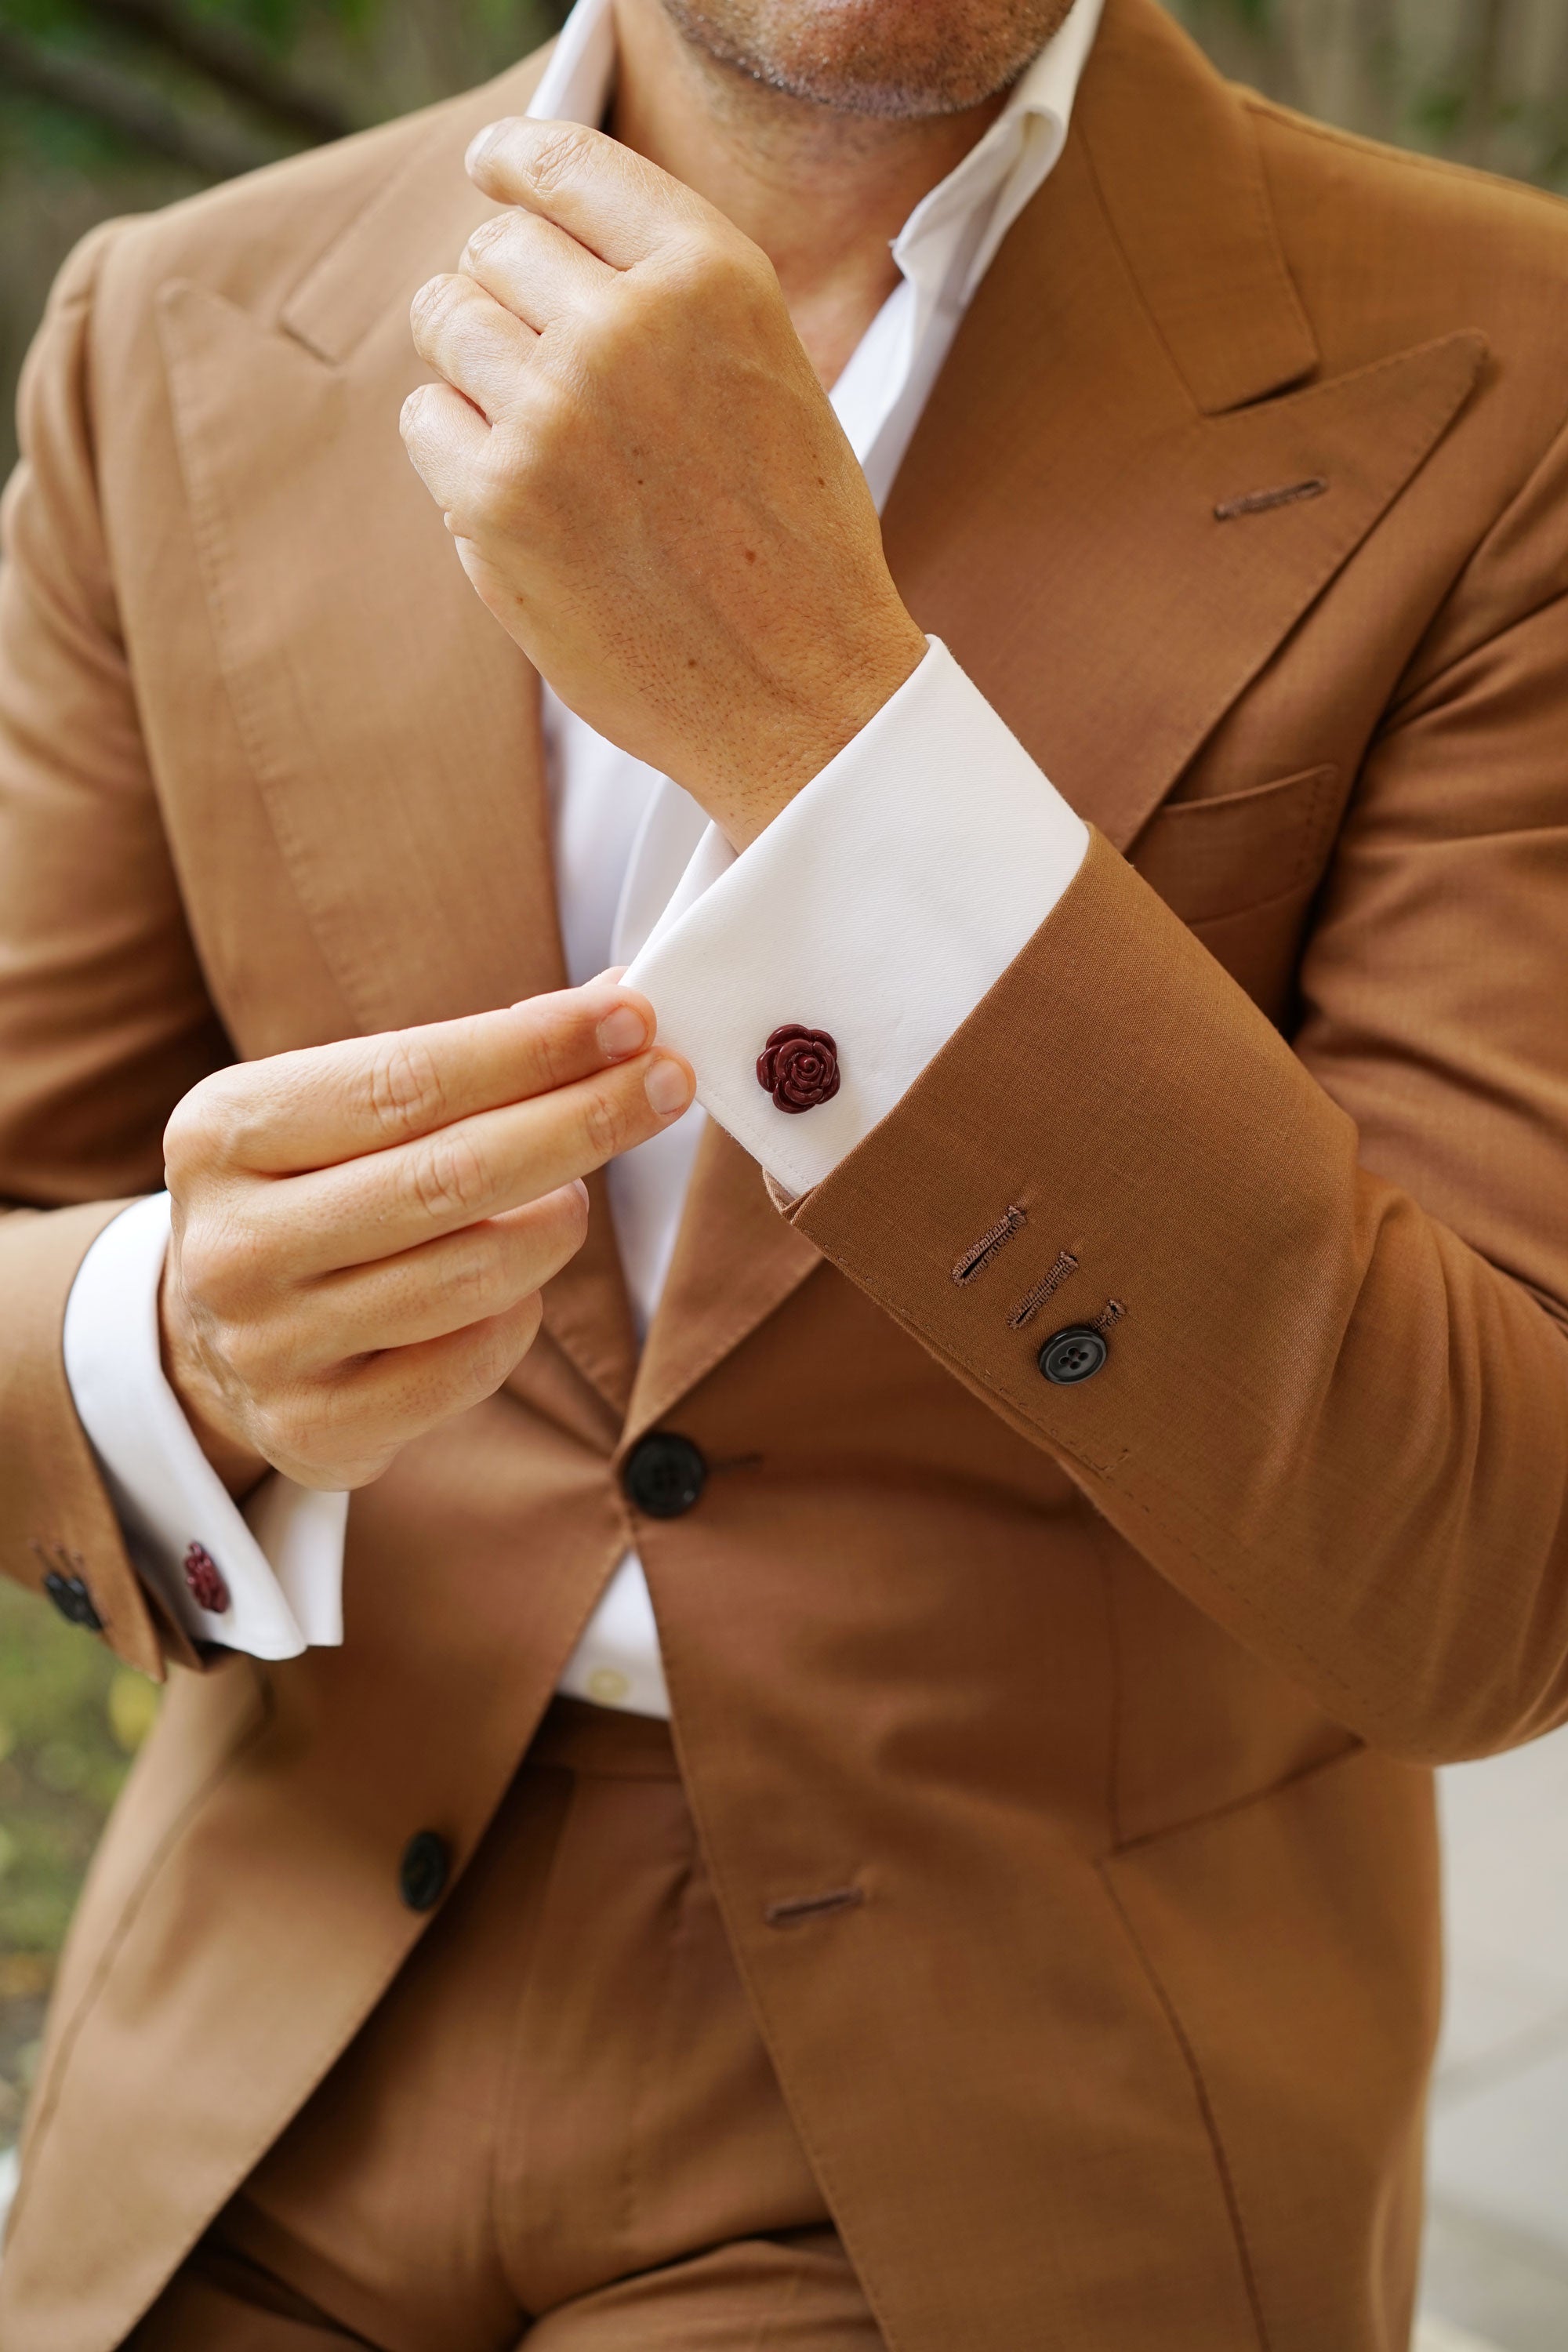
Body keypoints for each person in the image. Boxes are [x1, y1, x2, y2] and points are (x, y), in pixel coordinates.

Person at [2, 0, 1566, 2339]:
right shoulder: (174, 324)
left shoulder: (1509, 370)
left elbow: (1497, 1559)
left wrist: (825, 721)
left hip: (1015, 2101)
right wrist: (168, 1341)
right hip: (257, 2028)